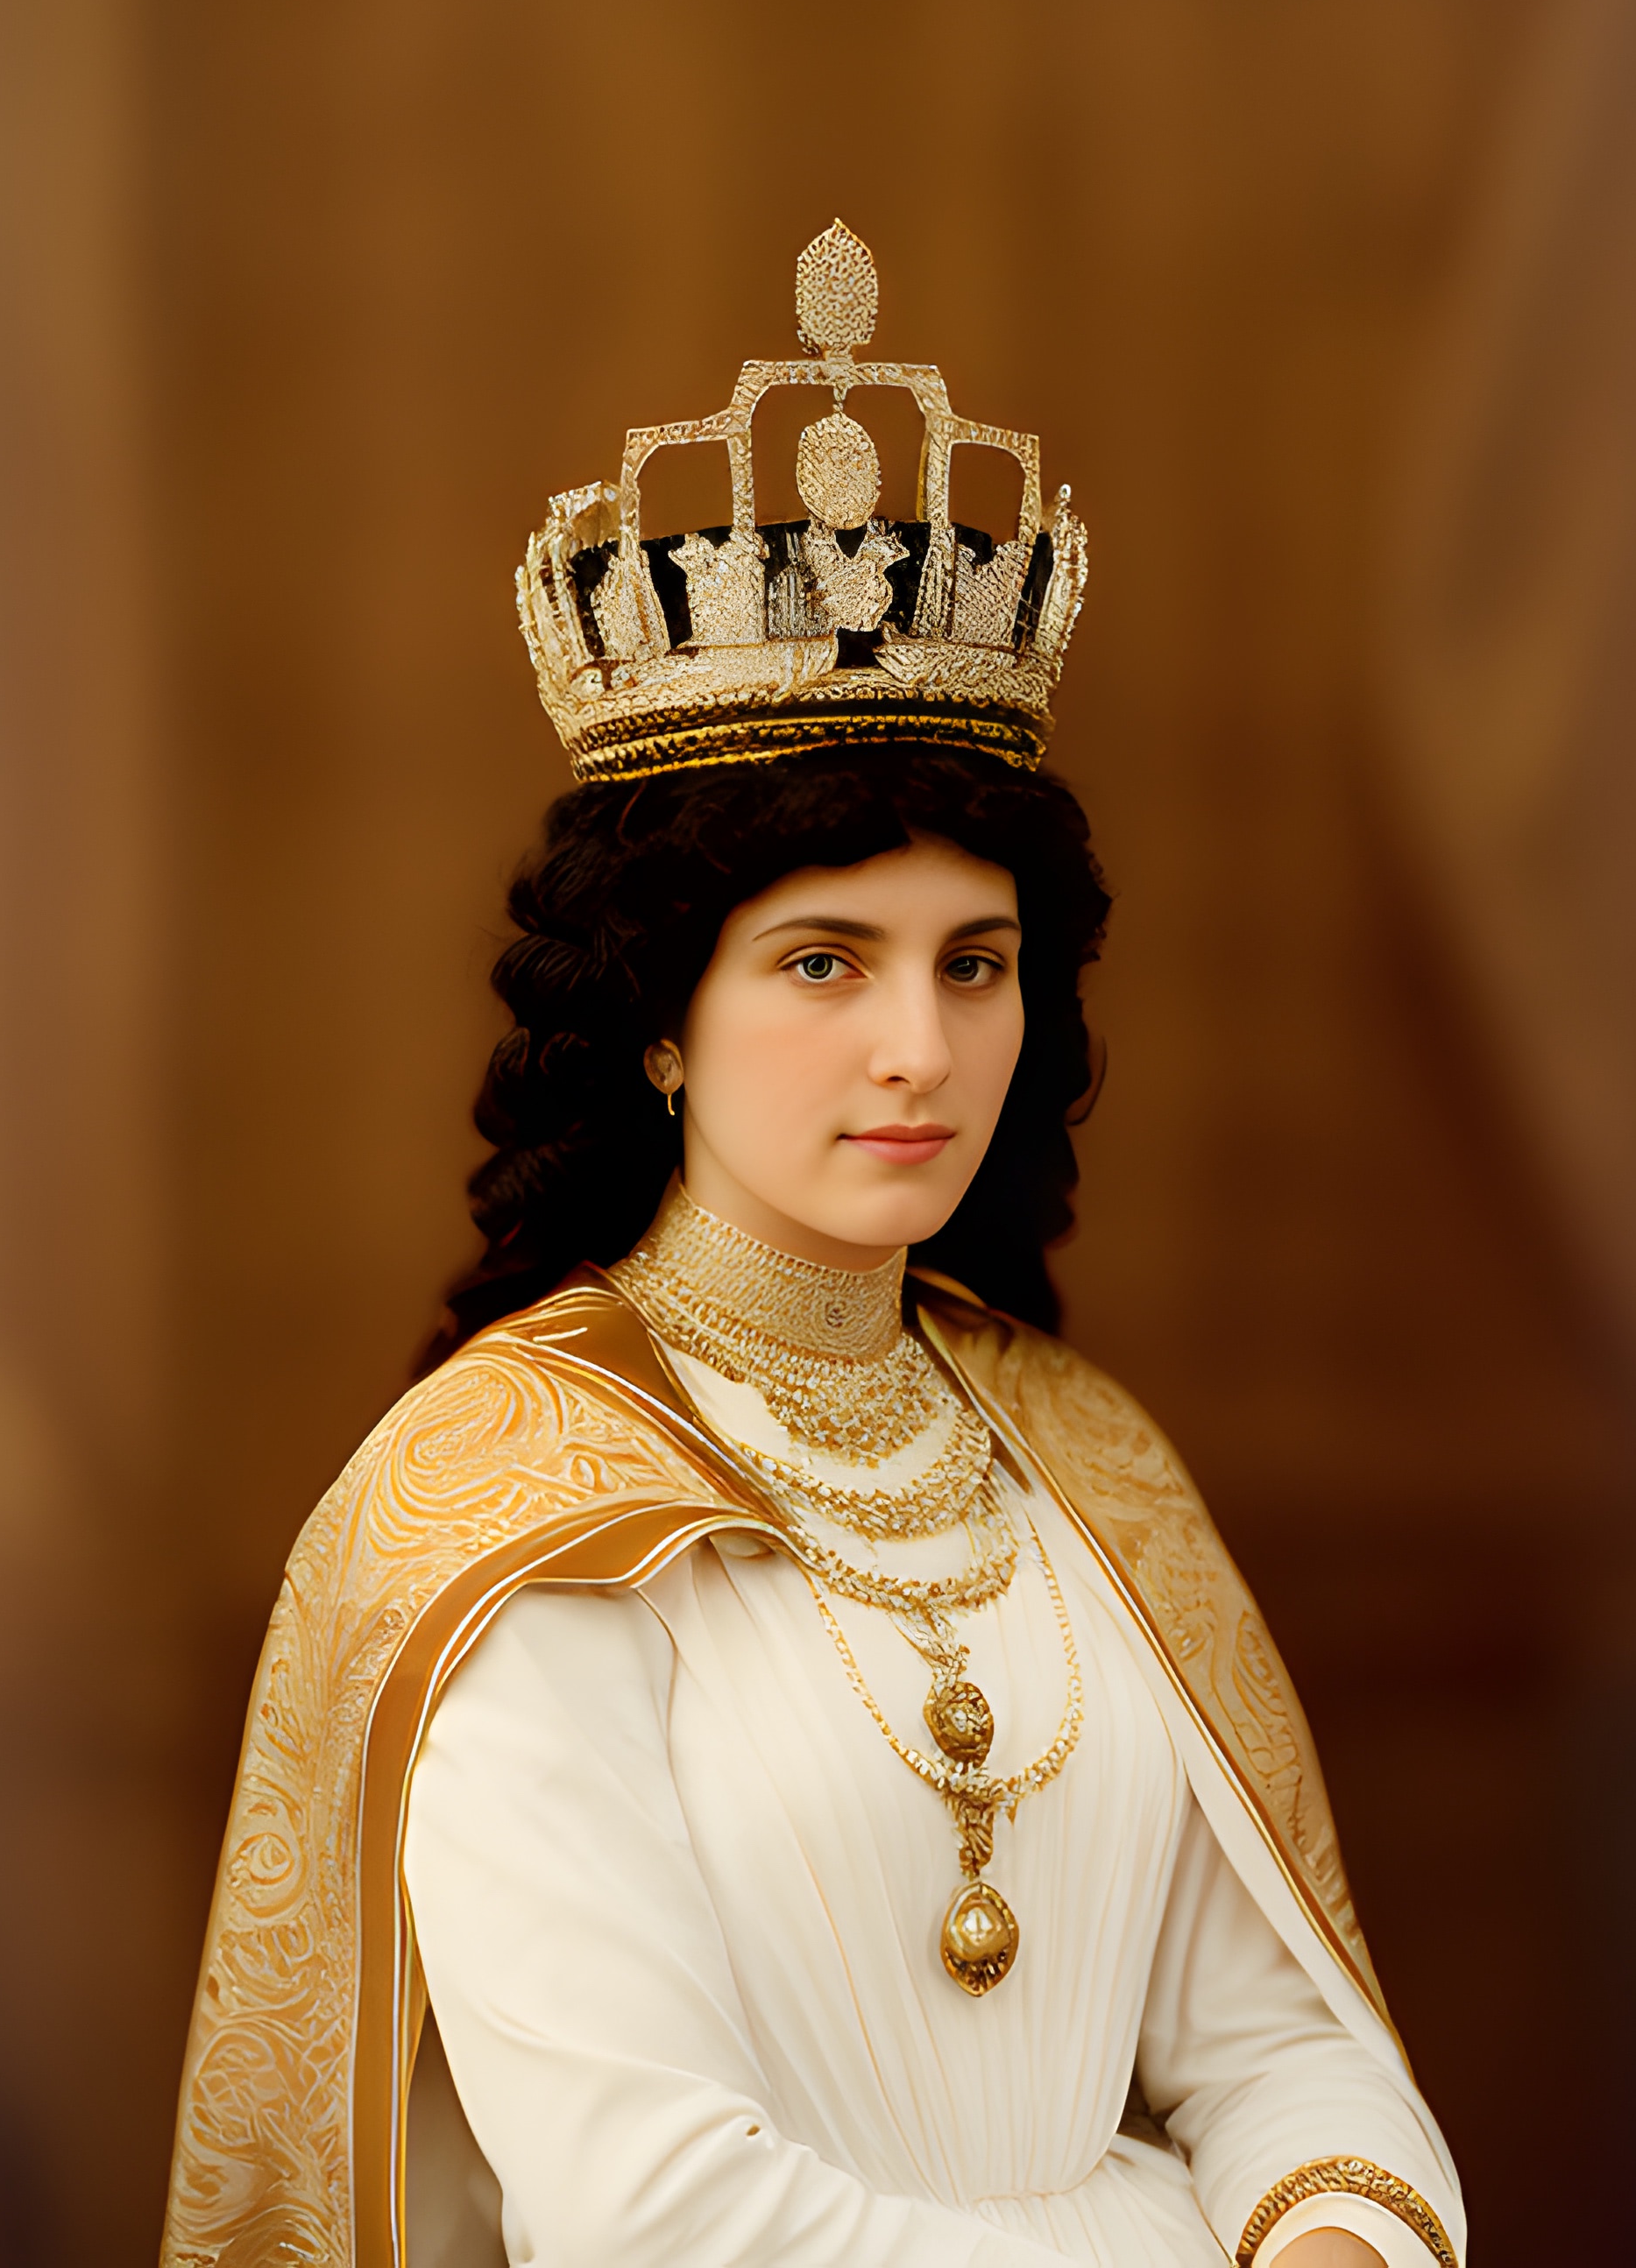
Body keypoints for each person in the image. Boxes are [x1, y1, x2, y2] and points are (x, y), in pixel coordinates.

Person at [162, 227, 1462, 2268]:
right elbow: (657, 2218)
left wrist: (1328, 2237)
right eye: (823, 964)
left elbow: (1280, 2037)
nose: (917, 1050)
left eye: (978, 965)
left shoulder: (1080, 1458)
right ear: (658, 1022)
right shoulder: (501, 1514)